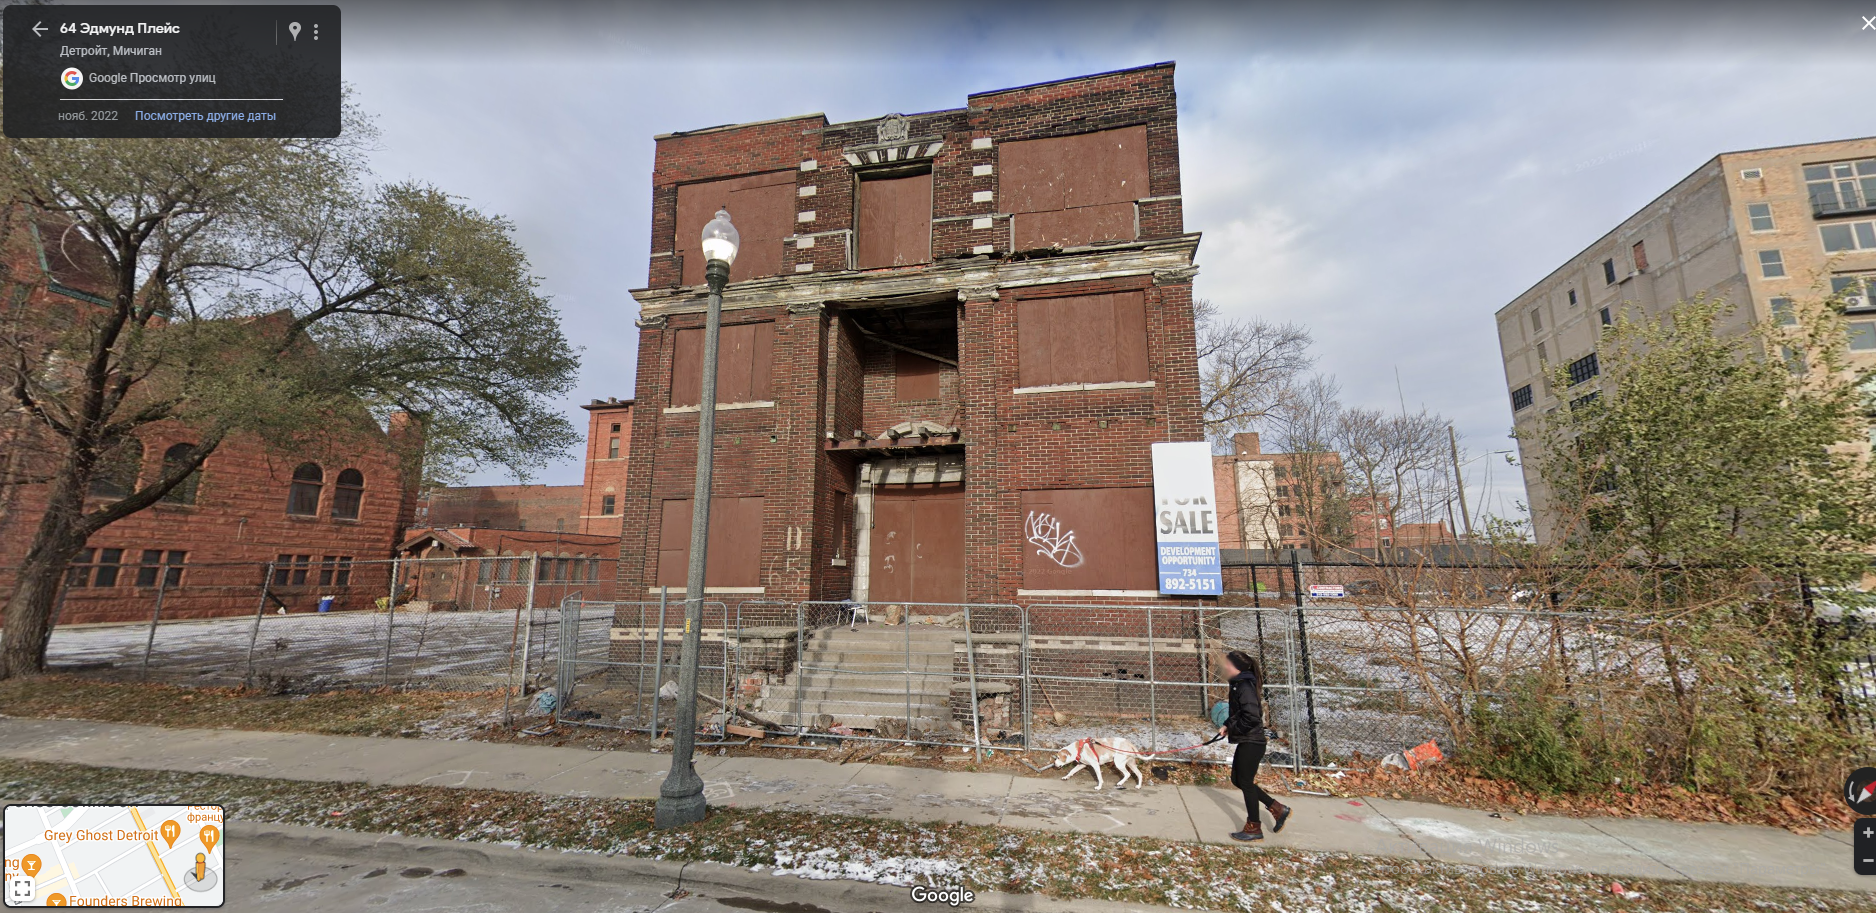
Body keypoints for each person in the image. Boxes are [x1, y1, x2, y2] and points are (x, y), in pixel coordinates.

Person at [1217, 650, 1291, 841]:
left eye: (1228, 664)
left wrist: (1233, 728)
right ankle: (1277, 808)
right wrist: (1228, 724)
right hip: (1248, 740)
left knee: (1246, 783)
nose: (1225, 667)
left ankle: (1254, 828)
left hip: (1253, 742)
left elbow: (1251, 717)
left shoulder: (1244, 686)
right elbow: (1240, 713)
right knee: (1238, 780)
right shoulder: (1239, 684)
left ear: (1236, 667)